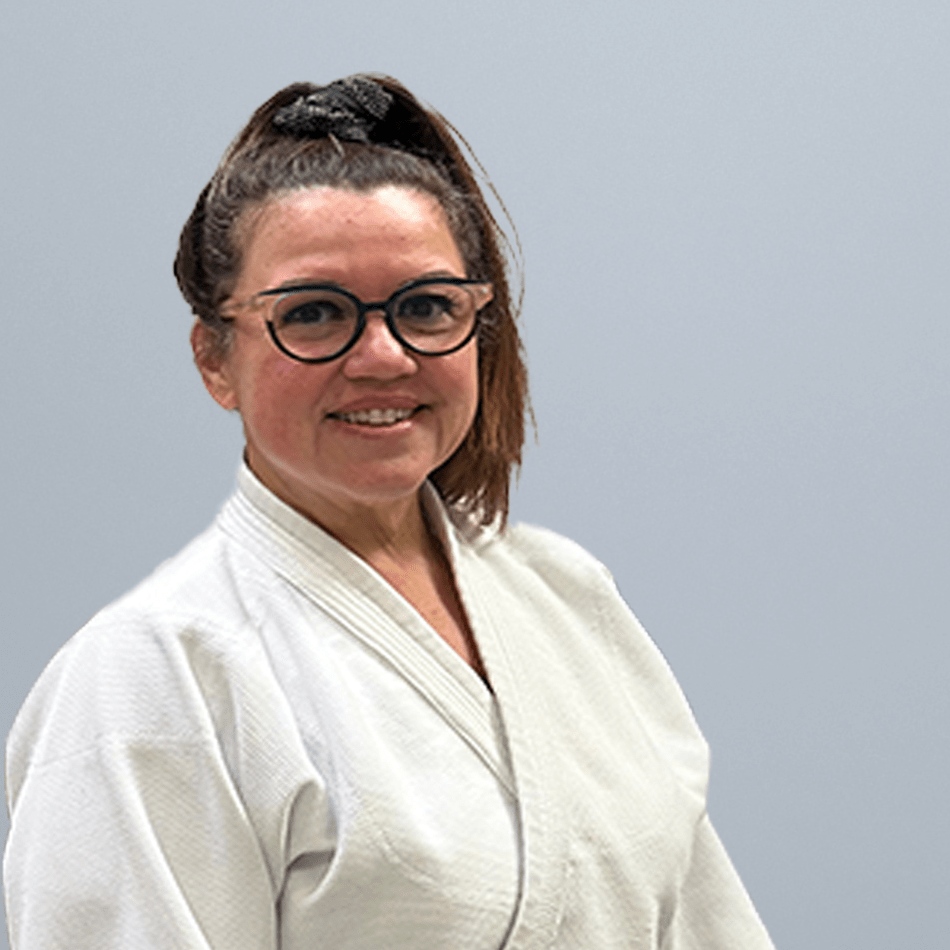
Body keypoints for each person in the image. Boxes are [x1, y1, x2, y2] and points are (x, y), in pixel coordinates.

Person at [3, 75, 774, 949]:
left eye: (426, 307)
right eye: (313, 313)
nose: (383, 356)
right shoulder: (152, 677)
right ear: (215, 358)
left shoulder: (567, 596)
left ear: (479, 325)